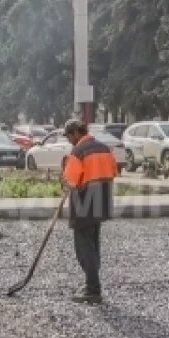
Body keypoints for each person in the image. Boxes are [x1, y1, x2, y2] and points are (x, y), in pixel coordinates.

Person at [61, 119, 117, 304]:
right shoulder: (104, 148)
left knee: (84, 248)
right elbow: (113, 172)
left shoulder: (78, 151)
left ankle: (93, 289)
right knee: (93, 244)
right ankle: (91, 283)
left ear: (76, 133)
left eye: (69, 137)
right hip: (102, 200)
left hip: (85, 202)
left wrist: (65, 179)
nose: (70, 141)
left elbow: (71, 181)